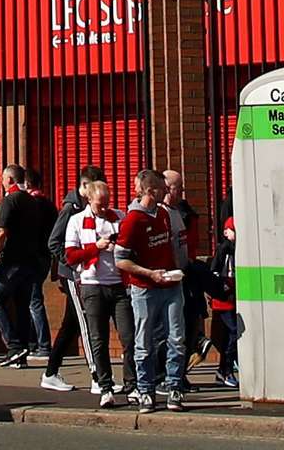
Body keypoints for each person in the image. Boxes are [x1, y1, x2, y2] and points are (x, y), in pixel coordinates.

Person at [117, 168, 190, 413]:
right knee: (144, 341)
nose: (167, 192)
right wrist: (149, 273)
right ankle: (146, 390)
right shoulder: (133, 220)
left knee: (176, 339)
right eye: (162, 188)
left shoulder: (163, 213)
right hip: (144, 288)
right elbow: (120, 260)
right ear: (150, 191)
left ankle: (174, 388)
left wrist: (176, 269)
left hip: (171, 283)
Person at [63, 170, 129, 401]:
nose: (104, 208)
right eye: (100, 204)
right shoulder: (77, 221)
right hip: (92, 285)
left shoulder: (119, 216)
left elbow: (131, 245)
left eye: (107, 203)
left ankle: (132, 386)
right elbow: (71, 256)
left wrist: (117, 246)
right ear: (89, 199)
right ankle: (105, 387)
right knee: (98, 339)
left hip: (119, 284)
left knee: (128, 337)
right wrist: (97, 247)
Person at [0, 165, 58, 378]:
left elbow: (1, 232)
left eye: (3, 178)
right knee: (22, 305)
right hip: (31, 261)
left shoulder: (9, 201)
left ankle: (13, 345)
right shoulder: (32, 202)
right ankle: (20, 354)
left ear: (10, 180)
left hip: (12, 261)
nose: (1, 181)